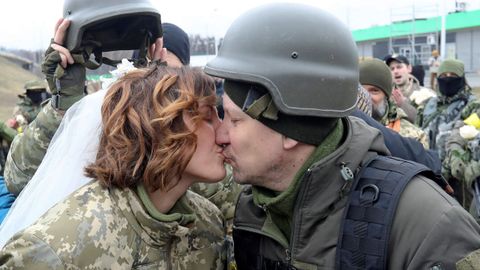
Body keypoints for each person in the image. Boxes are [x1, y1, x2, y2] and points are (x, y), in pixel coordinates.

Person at [204, 3, 480, 269]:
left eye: (235, 120)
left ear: (290, 129)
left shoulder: (425, 224)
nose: (220, 135)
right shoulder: (254, 207)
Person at [359, 58, 429, 148]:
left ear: (386, 97)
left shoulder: (413, 137)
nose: (366, 96)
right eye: (360, 91)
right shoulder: (343, 128)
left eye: (374, 91)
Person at [386, 55, 436, 124]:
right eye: (392, 69)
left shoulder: (426, 94)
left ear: (409, 68)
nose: (395, 71)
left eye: (399, 67)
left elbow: (427, 122)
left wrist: (403, 104)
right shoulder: (386, 96)